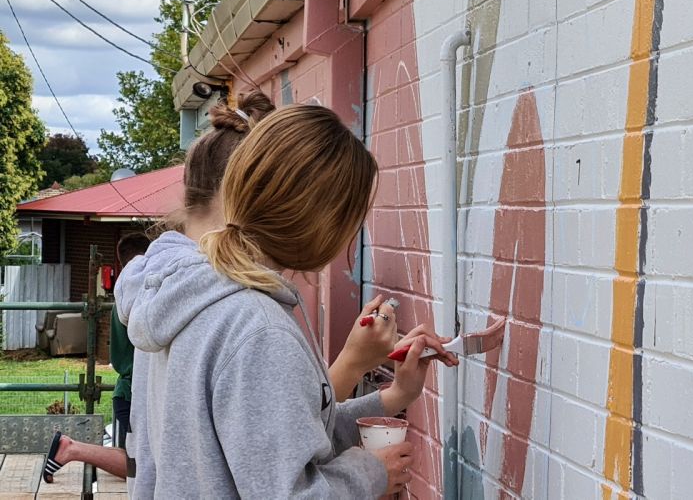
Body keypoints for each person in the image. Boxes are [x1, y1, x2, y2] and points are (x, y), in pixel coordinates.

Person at [116, 104, 454, 498]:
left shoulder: (183, 298)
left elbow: (272, 441)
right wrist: (369, 472)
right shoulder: (259, 329)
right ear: (322, 223)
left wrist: (394, 396)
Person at [41, 232, 150, 484]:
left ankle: (71, 449)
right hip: (136, 393)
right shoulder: (142, 297)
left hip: (129, 391)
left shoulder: (125, 295)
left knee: (140, 462)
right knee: (141, 467)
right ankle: (71, 449)